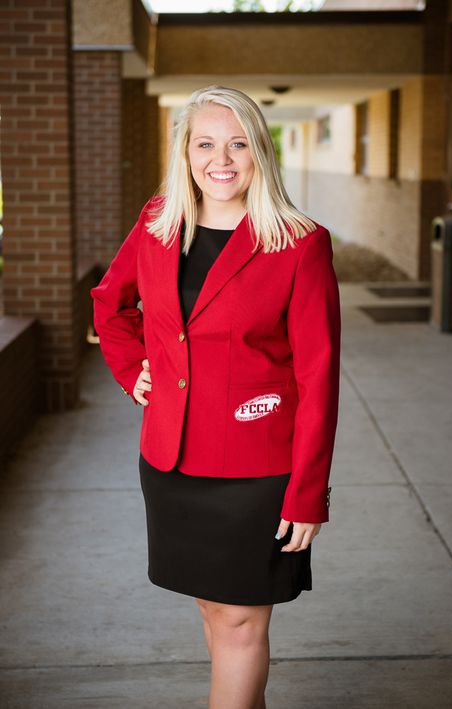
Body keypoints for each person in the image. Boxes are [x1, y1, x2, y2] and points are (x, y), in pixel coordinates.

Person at [90, 84, 341, 709]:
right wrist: (132, 369)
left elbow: (319, 376)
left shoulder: (299, 243)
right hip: (171, 461)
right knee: (213, 612)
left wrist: (308, 492)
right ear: (185, 151)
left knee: (238, 623)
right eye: (205, 143)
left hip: (256, 470)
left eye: (237, 143)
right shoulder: (158, 222)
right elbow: (110, 303)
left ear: (261, 151)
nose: (220, 159)